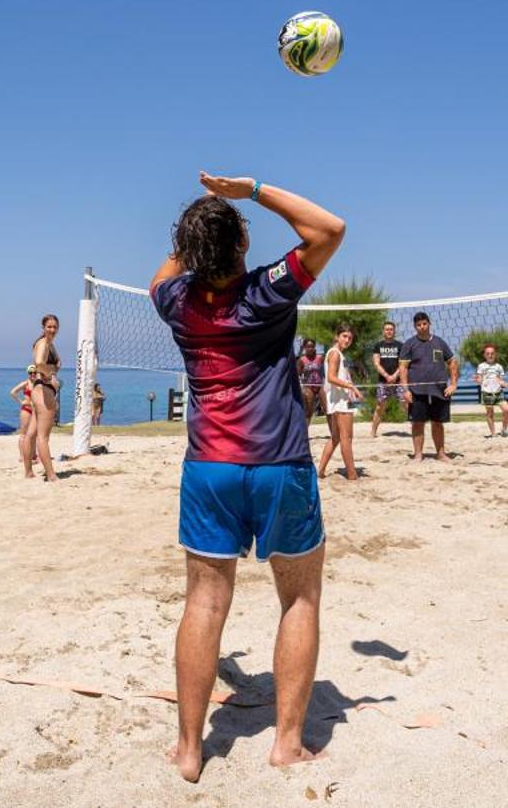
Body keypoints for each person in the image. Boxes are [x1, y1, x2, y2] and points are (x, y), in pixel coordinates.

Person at [149, 171, 344, 782]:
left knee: (205, 602)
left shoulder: (175, 300)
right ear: (241, 244)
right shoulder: (268, 291)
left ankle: (188, 749)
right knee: (300, 597)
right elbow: (329, 229)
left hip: (210, 467)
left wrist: (199, 230)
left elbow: (163, 272)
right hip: (279, 464)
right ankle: (286, 743)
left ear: (189, 249)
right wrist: (250, 192)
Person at [401, 311, 458, 462]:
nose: (422, 327)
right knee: (417, 423)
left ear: (429, 324)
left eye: (424, 324)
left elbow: (452, 362)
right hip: (417, 391)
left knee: (438, 423)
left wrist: (453, 384)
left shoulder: (440, 342)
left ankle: (441, 453)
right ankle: (418, 454)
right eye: (418, 325)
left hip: (439, 390)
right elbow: (403, 368)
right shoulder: (409, 344)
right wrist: (405, 390)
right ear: (415, 326)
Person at [313, 326, 360, 481]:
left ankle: (320, 471)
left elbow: (340, 377)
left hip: (338, 399)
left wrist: (353, 389)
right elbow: (331, 377)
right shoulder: (334, 354)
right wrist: (350, 386)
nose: (347, 340)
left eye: (350, 338)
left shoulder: (338, 354)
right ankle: (352, 474)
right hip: (340, 401)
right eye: (344, 336)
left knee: (336, 438)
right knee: (346, 438)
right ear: (337, 336)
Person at [25, 313, 62, 482]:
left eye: (55, 327)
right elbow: (39, 363)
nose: (52, 329)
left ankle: (28, 472)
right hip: (43, 390)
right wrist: (50, 376)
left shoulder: (49, 344)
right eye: (49, 326)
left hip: (39, 390)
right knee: (43, 437)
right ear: (43, 327)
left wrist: (51, 373)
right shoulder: (43, 344)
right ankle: (51, 475)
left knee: (31, 434)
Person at [368, 320, 405, 439]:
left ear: (394, 331)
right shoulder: (378, 345)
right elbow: (376, 363)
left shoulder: (400, 345)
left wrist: (394, 376)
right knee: (380, 406)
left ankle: (415, 427)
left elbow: (402, 364)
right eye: (387, 329)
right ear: (383, 331)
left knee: (406, 403)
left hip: (398, 381)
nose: (389, 331)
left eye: (391, 329)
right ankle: (373, 431)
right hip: (383, 381)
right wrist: (387, 376)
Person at [475, 343, 508, 437]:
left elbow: (500, 380)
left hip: (498, 392)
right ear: (484, 355)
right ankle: (493, 433)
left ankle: (504, 430)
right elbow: (479, 379)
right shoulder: (481, 366)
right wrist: (478, 380)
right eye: (488, 353)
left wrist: (503, 383)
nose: (490, 355)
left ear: (495, 354)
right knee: (490, 414)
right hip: (487, 393)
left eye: (492, 353)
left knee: (506, 410)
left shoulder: (499, 367)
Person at [12, 364, 38, 474]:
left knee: (33, 434)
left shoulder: (38, 384)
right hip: (26, 410)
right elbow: (12, 392)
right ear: (28, 373)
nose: (33, 374)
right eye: (30, 373)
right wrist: (21, 402)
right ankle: (22, 456)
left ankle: (32, 455)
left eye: (34, 372)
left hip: (36, 410)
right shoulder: (25, 384)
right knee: (23, 434)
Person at [294, 338, 324, 418]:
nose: (310, 348)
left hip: (320, 385)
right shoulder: (301, 360)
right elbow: (297, 374)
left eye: (312, 346)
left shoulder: (320, 358)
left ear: (314, 347)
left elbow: (325, 370)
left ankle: (333, 430)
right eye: (308, 346)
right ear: (304, 347)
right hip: (308, 386)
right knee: (308, 412)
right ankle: (304, 430)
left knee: (327, 409)